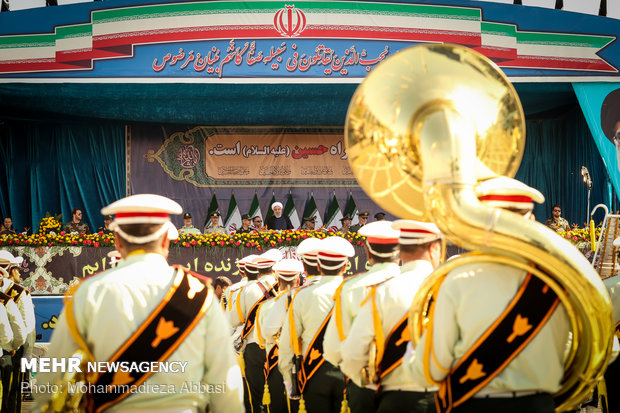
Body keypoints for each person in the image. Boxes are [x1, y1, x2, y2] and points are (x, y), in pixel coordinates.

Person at [33, 194, 244, 412]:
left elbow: (51, 381)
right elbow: (226, 383)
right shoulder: (200, 294)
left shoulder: (87, 294)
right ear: (165, 240)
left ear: (116, 240)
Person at [404, 177, 570, 413]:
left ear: (480, 223)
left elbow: (435, 368)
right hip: (539, 405)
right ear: (531, 220)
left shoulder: (457, 280)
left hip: (476, 405)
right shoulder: (558, 280)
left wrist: (412, 355)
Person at [340, 220, 443, 413]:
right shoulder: (451, 287)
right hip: (445, 398)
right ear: (435, 248)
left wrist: (367, 383)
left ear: (401, 252)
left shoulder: (383, 291)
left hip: (397, 398)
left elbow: (354, 352)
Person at [324, 221, 401, 413]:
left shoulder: (350, 288)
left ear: (367, 253)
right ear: (400, 253)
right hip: (408, 387)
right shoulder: (419, 284)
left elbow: (333, 350)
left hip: (363, 383)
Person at [279, 236, 354, 413]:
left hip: (313, 372)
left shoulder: (301, 296)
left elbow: (288, 342)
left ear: (319, 267)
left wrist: (289, 378)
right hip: (350, 371)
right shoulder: (357, 291)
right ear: (345, 266)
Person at [228, 250, 281, 413]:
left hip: (254, 346)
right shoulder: (283, 286)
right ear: (275, 270)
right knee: (279, 393)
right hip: (279, 347)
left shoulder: (247, 289)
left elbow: (235, 320)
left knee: (255, 395)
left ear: (257, 270)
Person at [255, 258, 303, 413]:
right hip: (304, 363)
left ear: (277, 279)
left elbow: (262, 340)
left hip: (276, 365)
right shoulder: (305, 300)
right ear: (297, 280)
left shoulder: (266, 306)